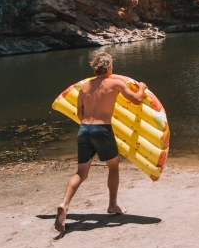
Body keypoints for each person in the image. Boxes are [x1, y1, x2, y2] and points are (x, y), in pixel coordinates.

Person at [55, 52, 147, 233]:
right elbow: (137, 100)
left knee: (81, 172)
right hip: (102, 130)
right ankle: (113, 205)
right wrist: (142, 87)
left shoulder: (84, 87)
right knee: (113, 167)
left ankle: (64, 204)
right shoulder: (115, 83)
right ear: (109, 67)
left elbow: (80, 114)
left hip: (84, 130)